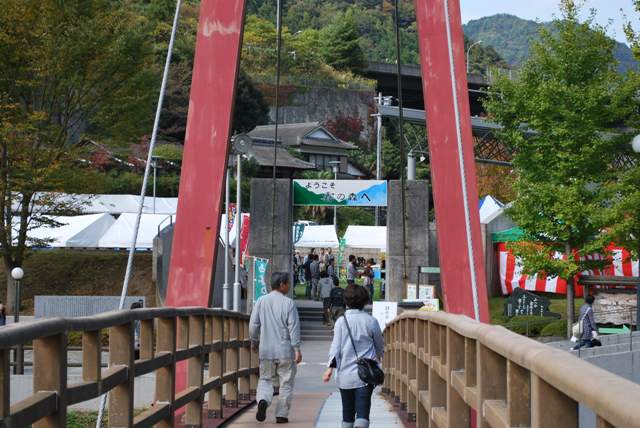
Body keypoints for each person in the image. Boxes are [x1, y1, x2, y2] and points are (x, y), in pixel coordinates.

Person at [323, 285, 384, 428]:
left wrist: (329, 369)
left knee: (348, 413)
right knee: (363, 412)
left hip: (345, 375)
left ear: (346, 301)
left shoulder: (340, 322)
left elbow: (335, 348)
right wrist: (379, 357)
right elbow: (379, 345)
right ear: (365, 301)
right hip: (365, 375)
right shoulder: (371, 321)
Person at [250, 272, 302, 424]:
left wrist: (254, 340)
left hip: (266, 350)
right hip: (285, 351)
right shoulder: (289, 303)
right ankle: (281, 414)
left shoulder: (261, 301)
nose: (289, 286)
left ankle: (263, 401)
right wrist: (297, 348)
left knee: (265, 379)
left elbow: (254, 324)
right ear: (281, 284)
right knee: (286, 382)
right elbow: (294, 327)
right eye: (287, 283)